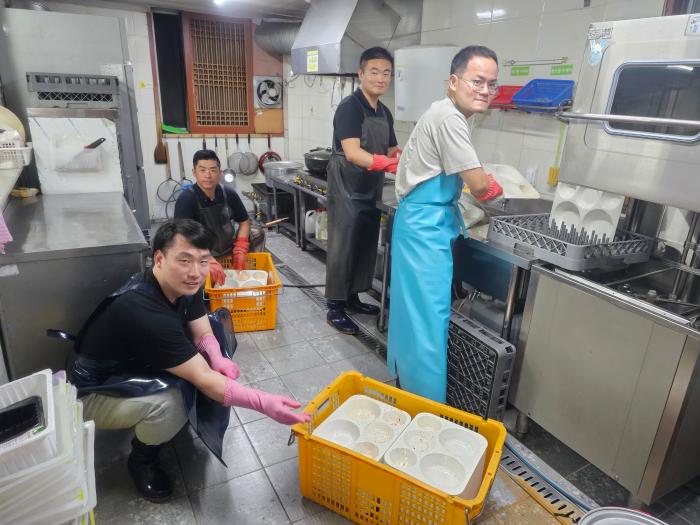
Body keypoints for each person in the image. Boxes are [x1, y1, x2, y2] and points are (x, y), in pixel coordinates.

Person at [69, 219, 310, 502]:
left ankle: (162, 419)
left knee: (212, 329)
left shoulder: (184, 284)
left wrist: (217, 357)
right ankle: (142, 459)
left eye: (203, 261)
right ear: (159, 258)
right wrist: (264, 403)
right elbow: (205, 381)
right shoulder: (143, 311)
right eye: (184, 260)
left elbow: (201, 327)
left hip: (132, 363)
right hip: (92, 391)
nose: (195, 272)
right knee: (173, 401)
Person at [387, 45, 504, 403]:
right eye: (477, 81)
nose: (485, 90)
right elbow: (480, 185)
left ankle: (405, 390)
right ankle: (427, 413)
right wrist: (496, 189)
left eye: (492, 84)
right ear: (453, 82)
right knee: (428, 322)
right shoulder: (450, 118)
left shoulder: (444, 112)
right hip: (425, 228)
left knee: (412, 316)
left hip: (420, 223)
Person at [325, 46, 402, 335]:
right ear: (361, 74)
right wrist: (387, 163)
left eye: (386, 73)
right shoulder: (350, 107)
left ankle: (353, 297)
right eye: (374, 72)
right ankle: (334, 305)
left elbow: (391, 147)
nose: (381, 78)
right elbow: (353, 153)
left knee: (366, 243)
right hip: (346, 184)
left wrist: (403, 156)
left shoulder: (384, 111)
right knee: (343, 245)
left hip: (370, 187)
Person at [174, 149, 264, 285]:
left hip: (227, 246)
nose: (208, 175)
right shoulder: (187, 199)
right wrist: (205, 259)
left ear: (220, 173)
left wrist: (240, 248)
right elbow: (182, 237)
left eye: (213, 170)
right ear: (194, 173)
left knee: (258, 233)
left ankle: (245, 273)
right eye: (202, 170)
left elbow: (245, 221)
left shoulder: (228, 194)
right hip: (200, 252)